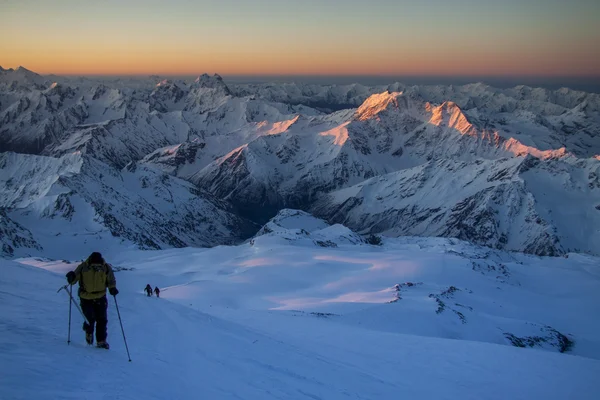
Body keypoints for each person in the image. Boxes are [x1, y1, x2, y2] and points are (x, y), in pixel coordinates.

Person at [66, 252, 118, 349]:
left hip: (94, 296)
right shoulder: (87, 267)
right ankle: (95, 337)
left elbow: (111, 280)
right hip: (89, 297)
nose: (96, 266)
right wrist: (71, 277)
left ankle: (99, 340)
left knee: (100, 319)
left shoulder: (103, 267)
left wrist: (112, 287)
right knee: (94, 318)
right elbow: (74, 280)